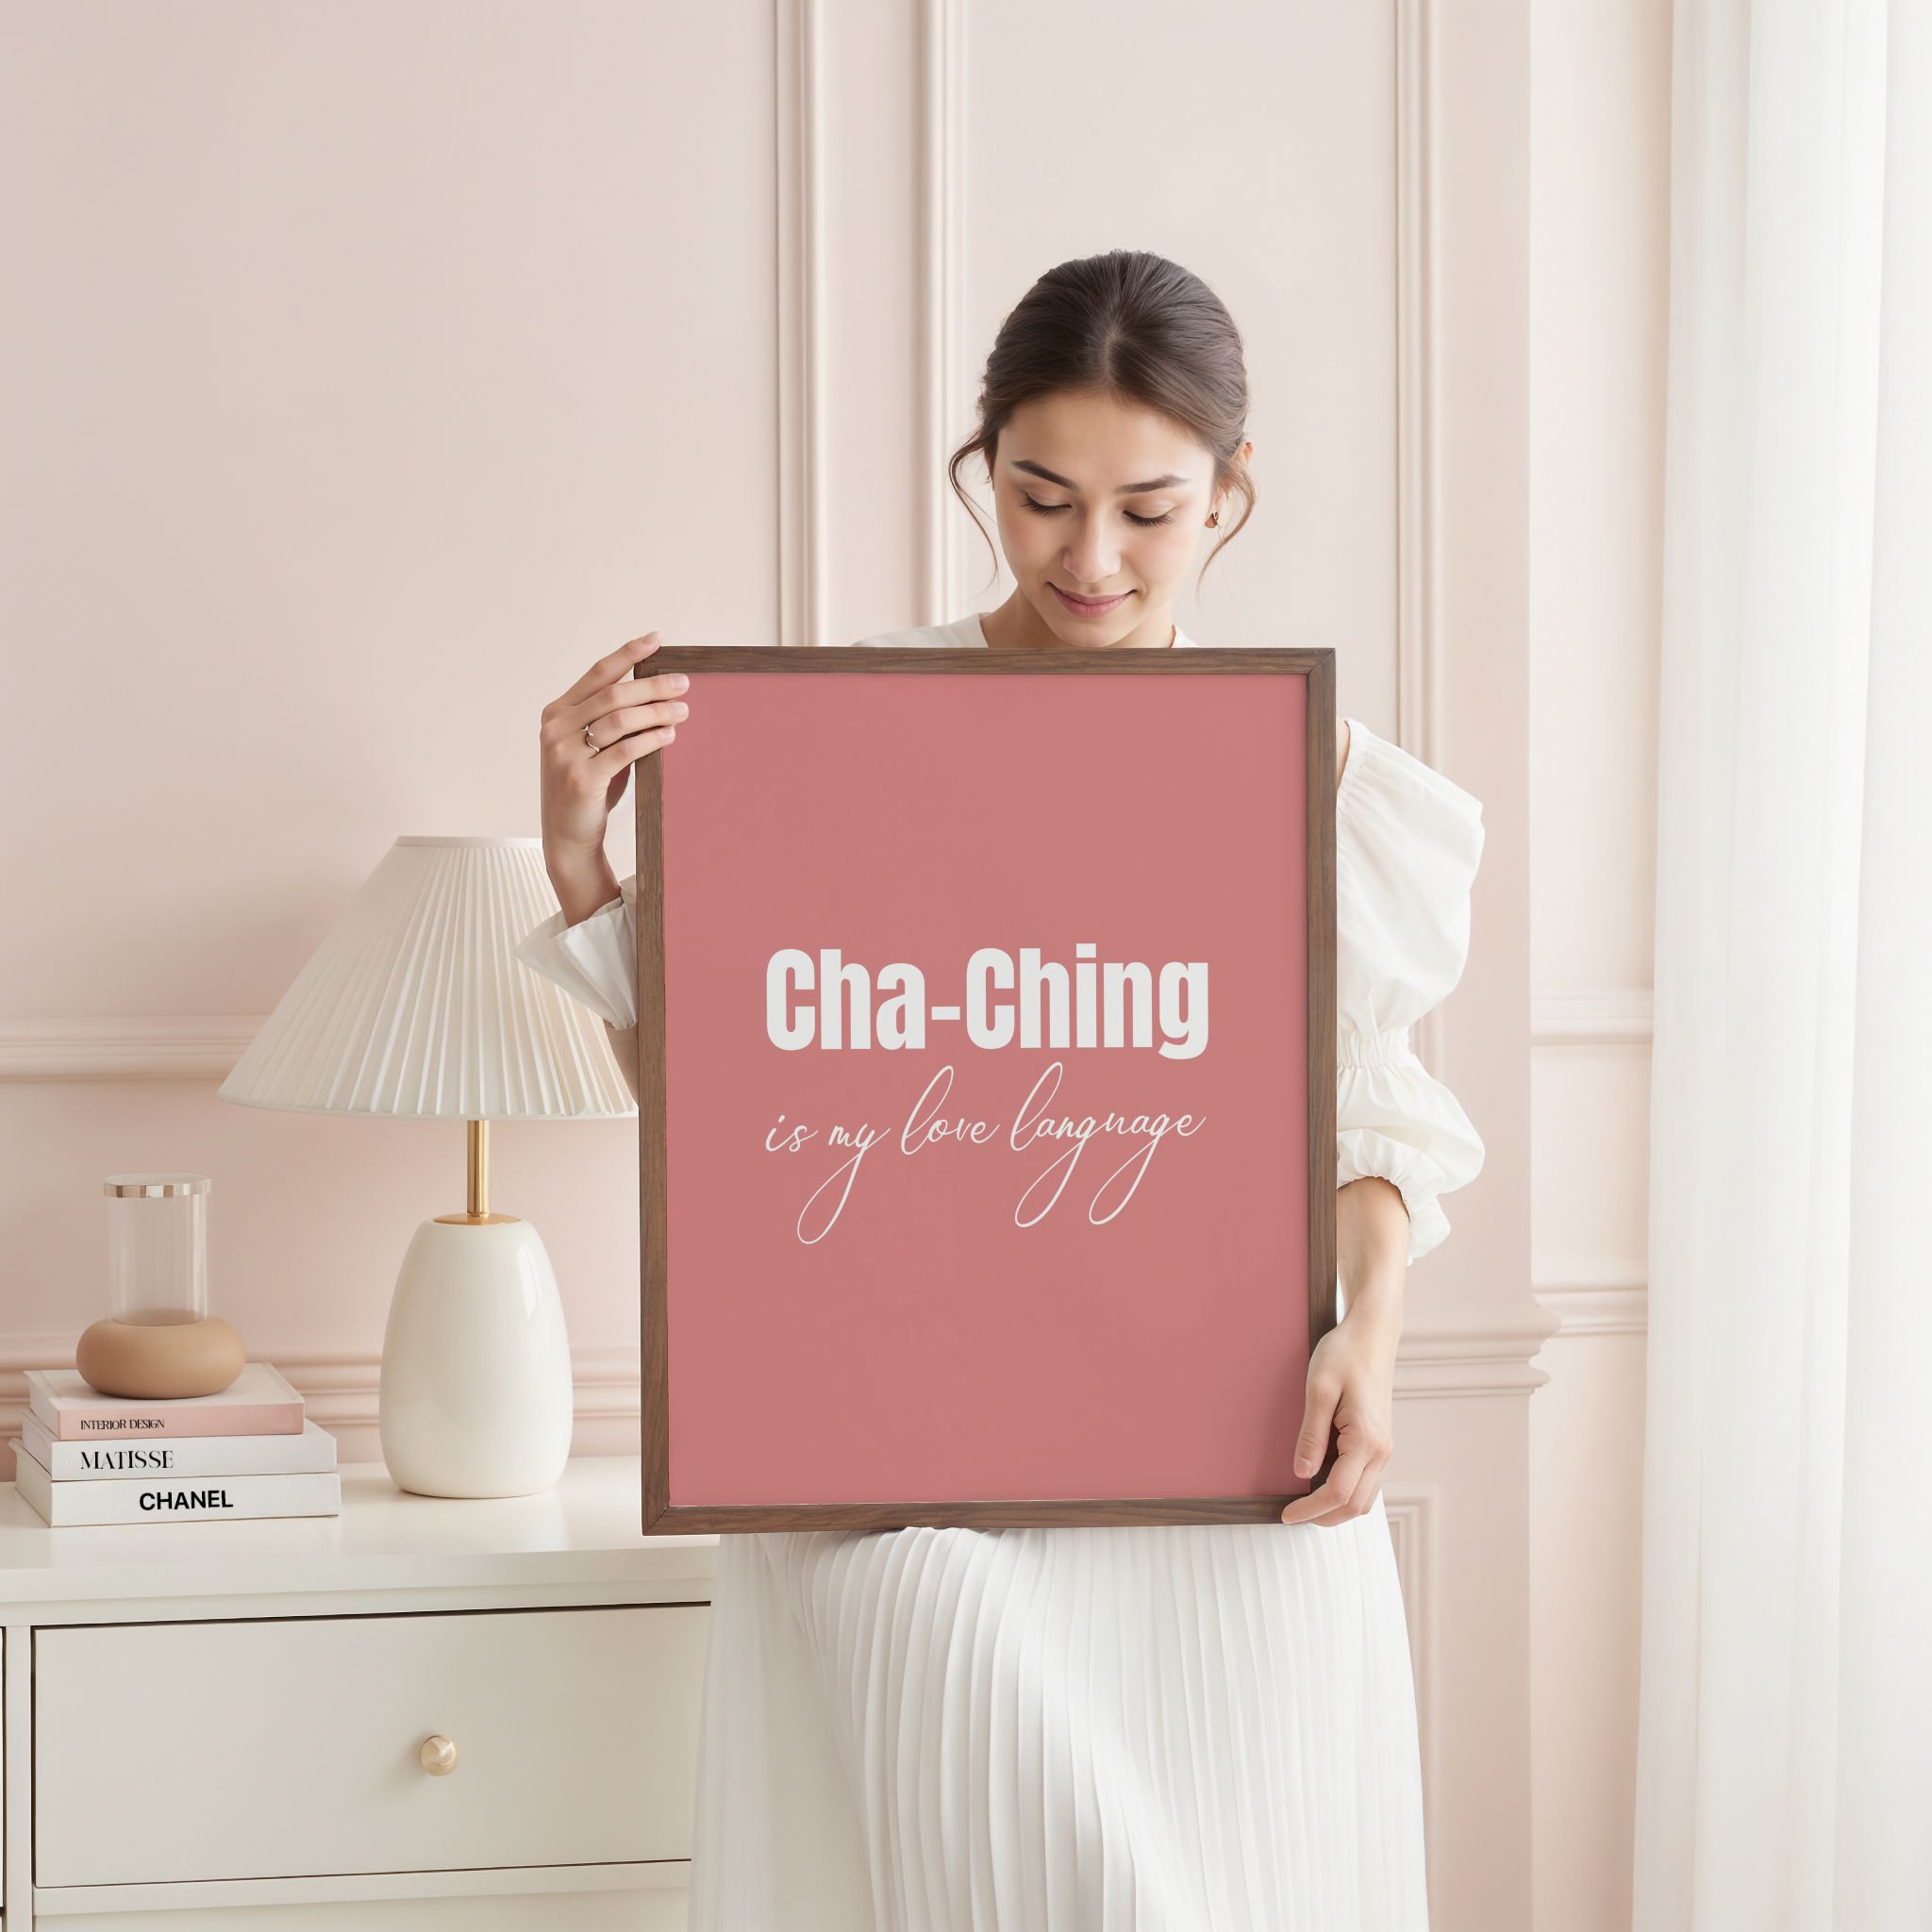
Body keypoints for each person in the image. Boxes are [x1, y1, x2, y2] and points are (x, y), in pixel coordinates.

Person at [516, 250, 1486, 1930]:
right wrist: (585, 866)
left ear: (1234, 494)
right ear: (982, 468)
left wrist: (1371, 1333)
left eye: (1149, 510)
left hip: (1221, 1468)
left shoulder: (1325, 781)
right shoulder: (843, 729)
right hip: (900, 1465)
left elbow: (1371, 1114)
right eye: (1039, 499)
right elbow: (738, 1122)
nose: (1088, 559)